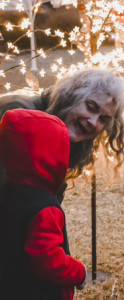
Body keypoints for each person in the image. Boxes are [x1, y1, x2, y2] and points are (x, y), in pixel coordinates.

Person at [0, 109, 86, 300]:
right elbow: (47, 259)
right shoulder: (44, 208)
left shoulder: (7, 191)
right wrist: (78, 272)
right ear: (53, 156)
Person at [0, 68, 124, 181]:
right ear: (71, 97)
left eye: (103, 119)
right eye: (91, 107)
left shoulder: (64, 141)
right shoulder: (18, 117)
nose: (93, 122)